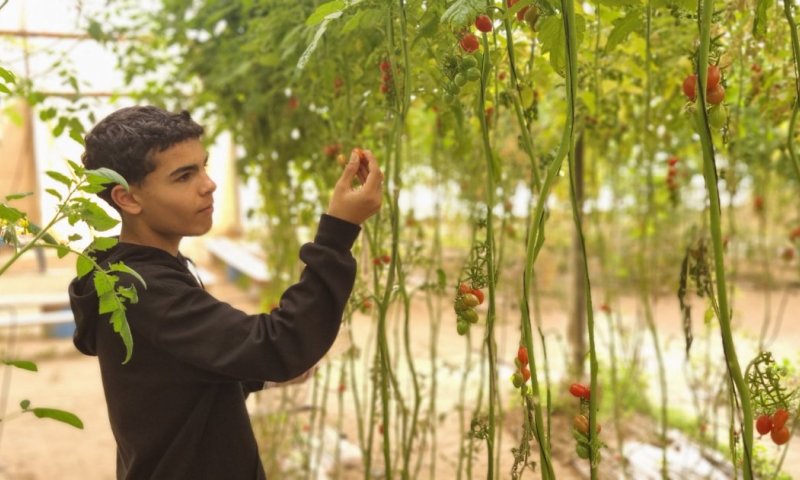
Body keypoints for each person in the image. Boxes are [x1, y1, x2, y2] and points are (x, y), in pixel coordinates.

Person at [68, 105, 383, 479]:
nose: (208, 184)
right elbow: (277, 344)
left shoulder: (131, 274)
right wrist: (338, 233)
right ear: (128, 199)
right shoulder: (139, 289)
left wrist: (257, 374)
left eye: (203, 166)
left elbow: (173, 377)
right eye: (184, 176)